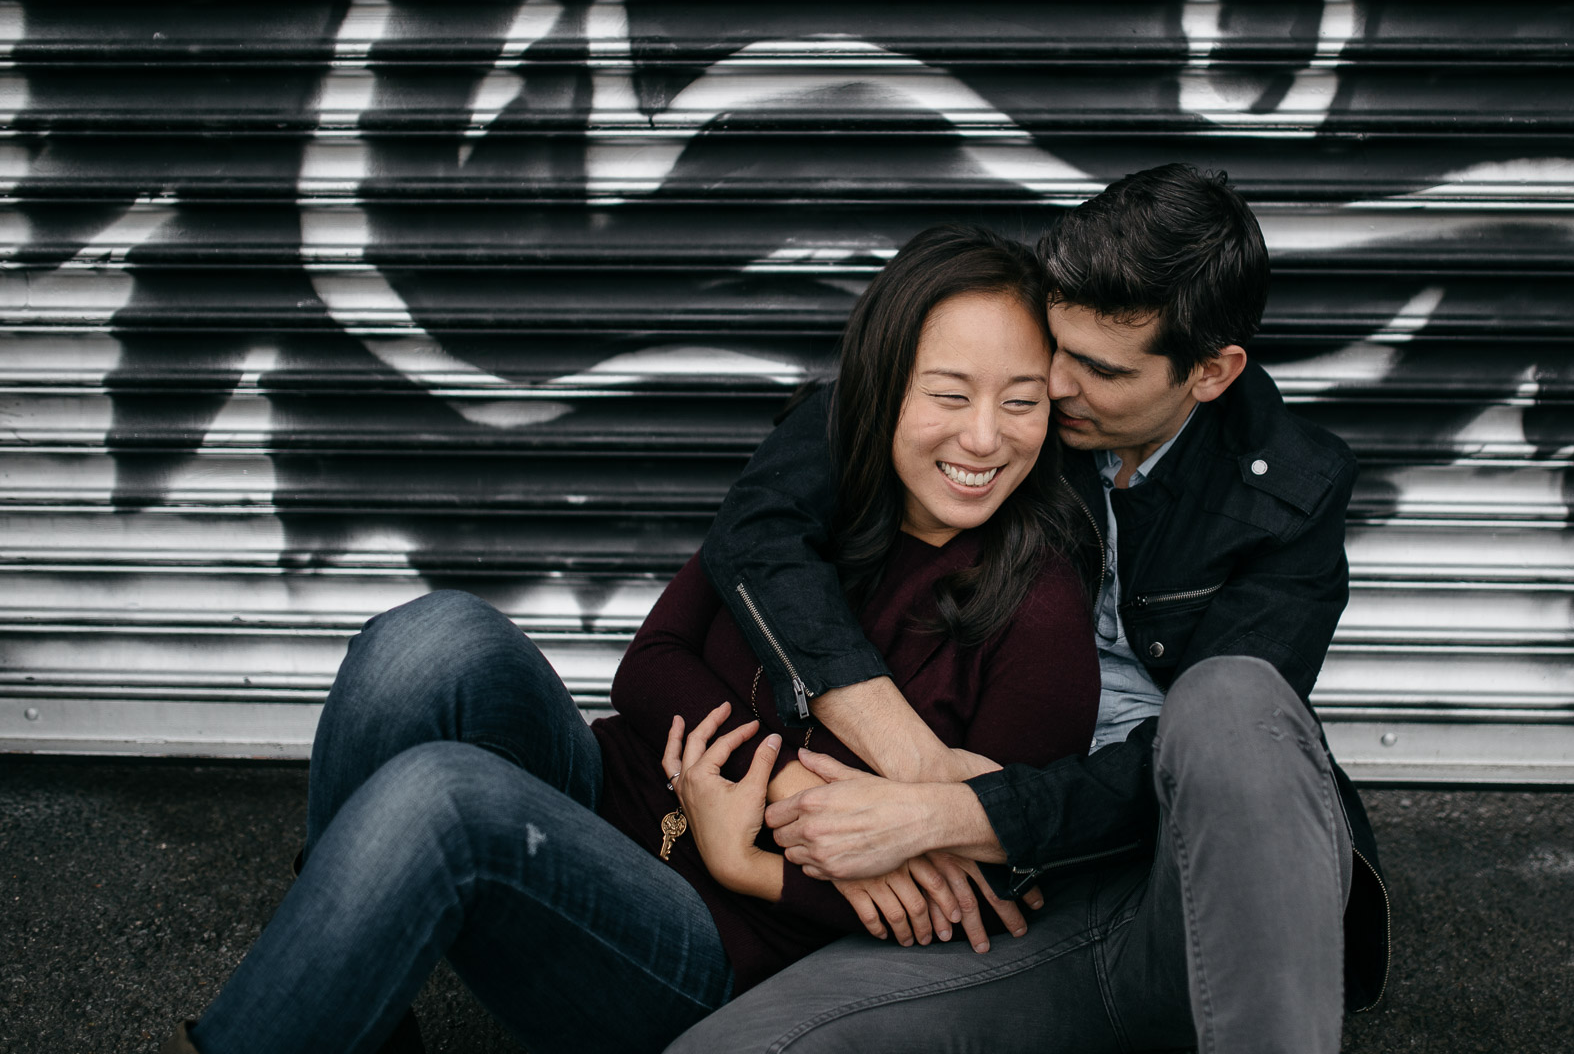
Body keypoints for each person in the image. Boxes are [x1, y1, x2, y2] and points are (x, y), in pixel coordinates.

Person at [162, 226, 1100, 1054]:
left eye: (1021, 403)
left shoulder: (1038, 614)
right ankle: (348, 992)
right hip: (611, 789)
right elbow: (649, 665)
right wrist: (783, 783)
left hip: (710, 938)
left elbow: (975, 906)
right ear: (886, 385)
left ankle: (323, 989)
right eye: (949, 394)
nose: (984, 439)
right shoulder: (810, 496)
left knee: (444, 801)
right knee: (430, 639)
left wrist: (755, 862)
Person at [673, 163, 1391, 1054]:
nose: (1049, 386)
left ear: (1211, 372)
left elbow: (1208, 762)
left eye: (1098, 369)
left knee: (1232, 700)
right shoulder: (1004, 407)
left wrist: (950, 812)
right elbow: (759, 528)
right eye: (1054, 347)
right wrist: (918, 763)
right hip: (1023, 895)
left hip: (1181, 871)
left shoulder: (1291, 498)